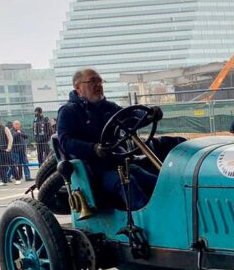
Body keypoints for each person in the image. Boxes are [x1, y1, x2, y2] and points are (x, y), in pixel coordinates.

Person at [57, 68, 158, 210]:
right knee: (127, 183)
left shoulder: (109, 107)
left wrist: (149, 114)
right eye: (93, 81)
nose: (98, 85)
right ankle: (144, 223)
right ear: (77, 87)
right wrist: (94, 149)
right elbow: (65, 142)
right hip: (94, 172)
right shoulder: (69, 111)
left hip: (120, 163)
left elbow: (131, 117)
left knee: (158, 182)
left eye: (100, 81)